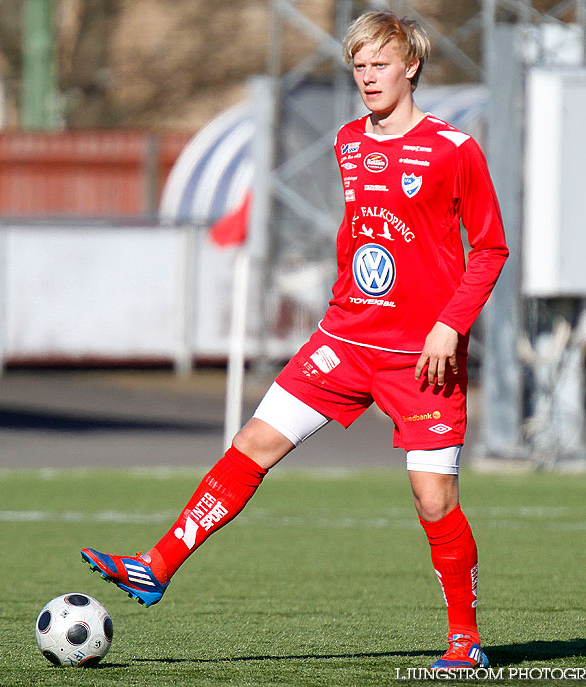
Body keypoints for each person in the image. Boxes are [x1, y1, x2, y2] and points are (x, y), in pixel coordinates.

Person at [81, 10, 508, 671]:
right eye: (358, 66)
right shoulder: (346, 143)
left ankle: (464, 640)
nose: (367, 77)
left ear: (411, 66)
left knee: (434, 498)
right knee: (253, 442)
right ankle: (156, 564)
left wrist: (450, 324)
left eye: (379, 65)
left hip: (420, 355)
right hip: (344, 337)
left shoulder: (454, 149)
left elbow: (489, 248)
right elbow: (361, 238)